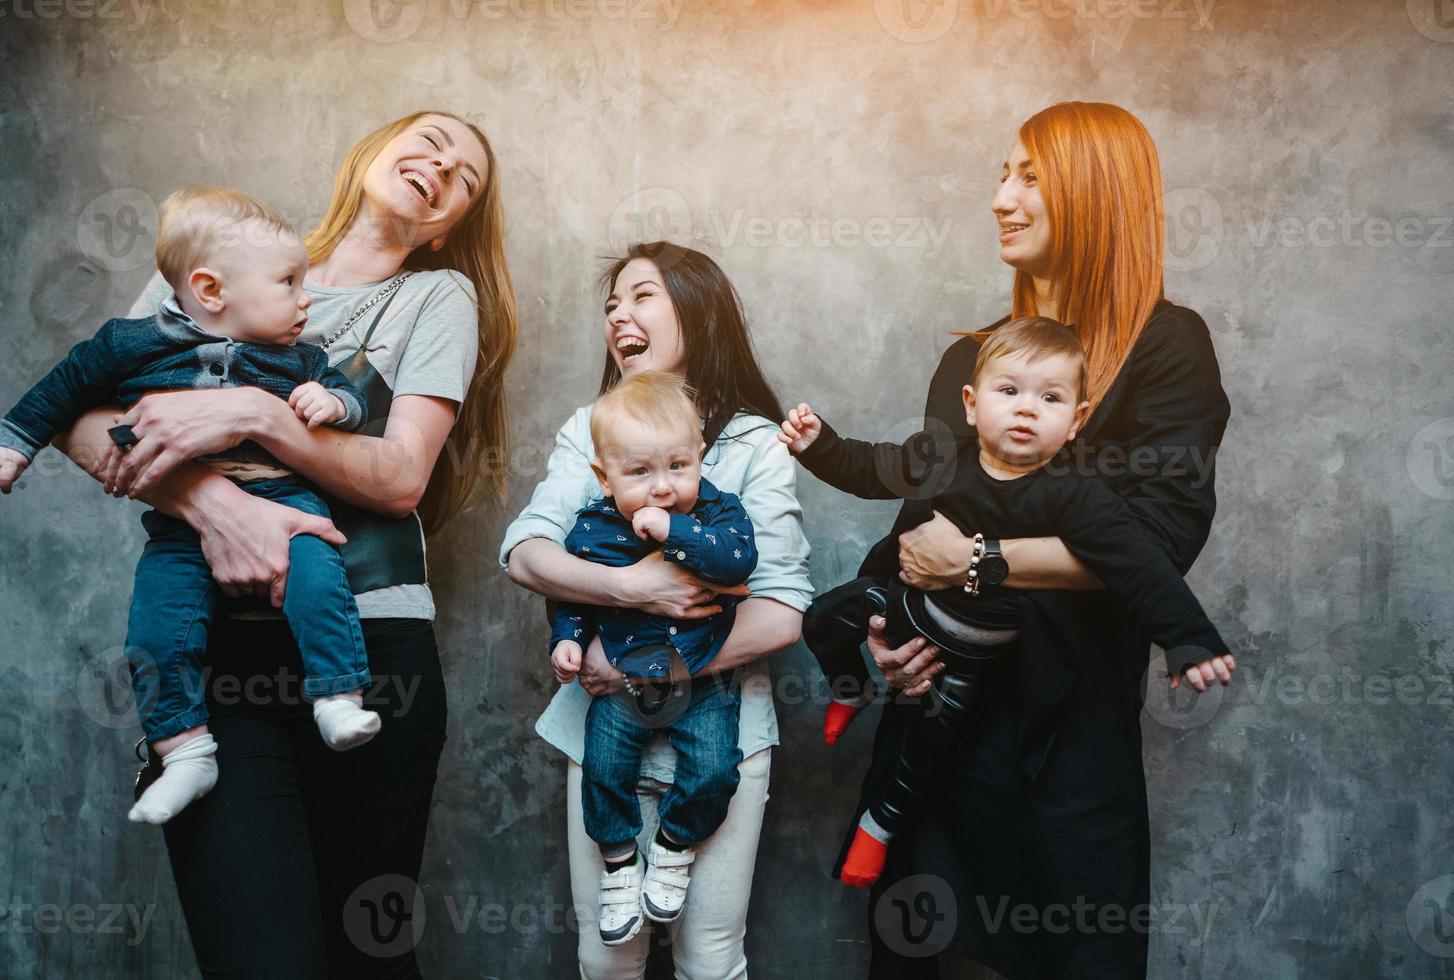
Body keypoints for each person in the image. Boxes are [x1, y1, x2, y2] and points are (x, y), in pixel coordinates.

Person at [50, 110, 518, 977]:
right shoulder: (223, 251)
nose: (440, 164)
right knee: (259, 957)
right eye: (429, 139)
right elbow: (85, 422)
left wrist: (256, 411)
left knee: (367, 958)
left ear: (448, 223)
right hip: (210, 655)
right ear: (374, 148)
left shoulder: (435, 297)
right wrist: (222, 509)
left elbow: (399, 476)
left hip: (372, 649)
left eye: (464, 175)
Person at [833, 102, 1234, 978]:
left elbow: (1157, 543)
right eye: (1001, 174)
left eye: (1029, 178)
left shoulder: (1168, 347)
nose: (1001, 199)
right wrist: (885, 642)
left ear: (1093, 196)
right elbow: (920, 520)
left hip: (1069, 748)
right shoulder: (969, 361)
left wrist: (983, 562)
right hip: (937, 724)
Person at [779, 316, 1233, 889]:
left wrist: (1189, 639)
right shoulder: (943, 458)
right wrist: (818, 444)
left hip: (969, 662)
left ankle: (879, 828)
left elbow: (1140, 567)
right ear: (971, 404)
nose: (1026, 409)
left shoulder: (1078, 496)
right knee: (824, 618)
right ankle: (850, 687)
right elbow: (869, 467)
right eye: (1009, 391)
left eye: (1050, 398)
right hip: (913, 619)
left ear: (1077, 420)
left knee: (924, 759)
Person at [0, 186, 387, 823]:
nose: (305, 298)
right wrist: (12, 446)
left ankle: (337, 697)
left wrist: (335, 404)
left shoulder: (302, 357)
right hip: (180, 527)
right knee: (155, 629)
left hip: (289, 501)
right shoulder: (127, 344)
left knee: (319, 581)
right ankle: (186, 752)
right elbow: (63, 393)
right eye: (288, 282)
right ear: (210, 290)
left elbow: (348, 396)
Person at [502, 242, 812, 978]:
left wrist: (648, 666)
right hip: (600, 722)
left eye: (641, 295)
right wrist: (633, 590)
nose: (619, 315)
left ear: (697, 310)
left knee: (709, 958)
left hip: (725, 723)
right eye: (611, 304)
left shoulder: (754, 444)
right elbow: (523, 553)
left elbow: (782, 613)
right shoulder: (589, 429)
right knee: (609, 955)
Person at [549, 370, 759, 945]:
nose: (662, 486)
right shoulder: (594, 528)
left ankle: (673, 848)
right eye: (640, 472)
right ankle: (619, 860)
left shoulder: (718, 516)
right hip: (621, 680)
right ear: (604, 476)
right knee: (604, 769)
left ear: (699, 458)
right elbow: (573, 593)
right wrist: (566, 638)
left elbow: (737, 563)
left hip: (703, 675)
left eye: (678, 466)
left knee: (715, 769)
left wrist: (675, 530)